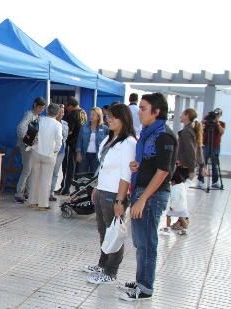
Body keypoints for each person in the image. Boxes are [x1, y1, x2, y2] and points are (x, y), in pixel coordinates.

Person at [121, 93, 177, 301]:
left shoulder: (164, 135)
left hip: (151, 196)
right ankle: (140, 280)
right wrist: (139, 166)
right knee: (140, 241)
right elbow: (152, 163)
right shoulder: (148, 133)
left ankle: (145, 288)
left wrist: (143, 199)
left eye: (143, 108)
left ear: (156, 112)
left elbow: (163, 171)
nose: (140, 112)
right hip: (142, 191)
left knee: (147, 242)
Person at [85, 103, 137, 285]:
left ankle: (111, 271)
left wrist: (120, 200)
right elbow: (104, 167)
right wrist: (97, 188)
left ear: (124, 119)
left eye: (113, 117)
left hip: (115, 193)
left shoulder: (128, 143)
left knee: (114, 233)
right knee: (103, 231)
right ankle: (102, 263)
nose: (109, 119)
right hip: (103, 190)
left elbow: (126, 174)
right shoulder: (109, 139)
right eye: (108, 116)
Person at [164, 108, 203, 234]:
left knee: (177, 194)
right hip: (185, 167)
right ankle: (181, 221)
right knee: (179, 194)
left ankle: (183, 221)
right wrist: (200, 165)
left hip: (183, 168)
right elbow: (197, 149)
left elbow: (191, 151)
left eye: (182, 114)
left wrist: (190, 168)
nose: (180, 115)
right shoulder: (192, 130)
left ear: (187, 116)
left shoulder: (186, 132)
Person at [27, 104, 62, 211]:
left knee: (34, 178)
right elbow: (59, 140)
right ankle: (43, 204)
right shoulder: (57, 124)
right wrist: (55, 150)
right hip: (49, 154)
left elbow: (31, 133)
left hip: (36, 152)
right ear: (57, 113)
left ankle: (33, 202)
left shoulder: (39, 120)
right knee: (45, 180)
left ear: (47, 111)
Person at [15, 97, 47, 203]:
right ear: (35, 105)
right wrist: (26, 140)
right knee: (27, 169)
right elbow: (20, 128)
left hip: (31, 147)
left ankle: (28, 192)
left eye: (42, 108)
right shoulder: (29, 114)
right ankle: (19, 193)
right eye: (40, 107)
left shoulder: (37, 116)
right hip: (26, 147)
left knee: (31, 170)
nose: (41, 110)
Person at [59, 97, 85, 194]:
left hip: (71, 144)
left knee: (68, 168)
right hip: (80, 144)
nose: (66, 108)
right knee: (77, 168)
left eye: (67, 106)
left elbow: (69, 131)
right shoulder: (83, 112)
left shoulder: (71, 115)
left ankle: (65, 189)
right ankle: (77, 189)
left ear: (71, 105)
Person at [197, 108, 225, 188]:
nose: (216, 116)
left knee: (214, 164)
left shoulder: (221, 123)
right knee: (202, 163)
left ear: (220, 116)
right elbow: (200, 131)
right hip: (205, 145)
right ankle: (200, 180)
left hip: (215, 146)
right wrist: (202, 123)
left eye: (218, 115)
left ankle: (215, 182)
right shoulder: (207, 122)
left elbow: (221, 132)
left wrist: (217, 123)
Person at [76, 107, 108, 175]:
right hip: (84, 155)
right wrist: (78, 154)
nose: (91, 116)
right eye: (90, 114)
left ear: (99, 116)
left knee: (94, 176)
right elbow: (79, 141)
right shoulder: (84, 127)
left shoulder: (105, 128)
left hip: (97, 157)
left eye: (93, 115)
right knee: (82, 175)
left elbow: (107, 143)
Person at [50, 104, 68, 202]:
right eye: (60, 111)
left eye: (63, 112)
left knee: (55, 173)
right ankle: (44, 191)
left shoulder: (65, 124)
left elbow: (65, 137)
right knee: (48, 172)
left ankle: (51, 192)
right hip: (50, 151)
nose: (61, 113)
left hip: (61, 151)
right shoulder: (51, 122)